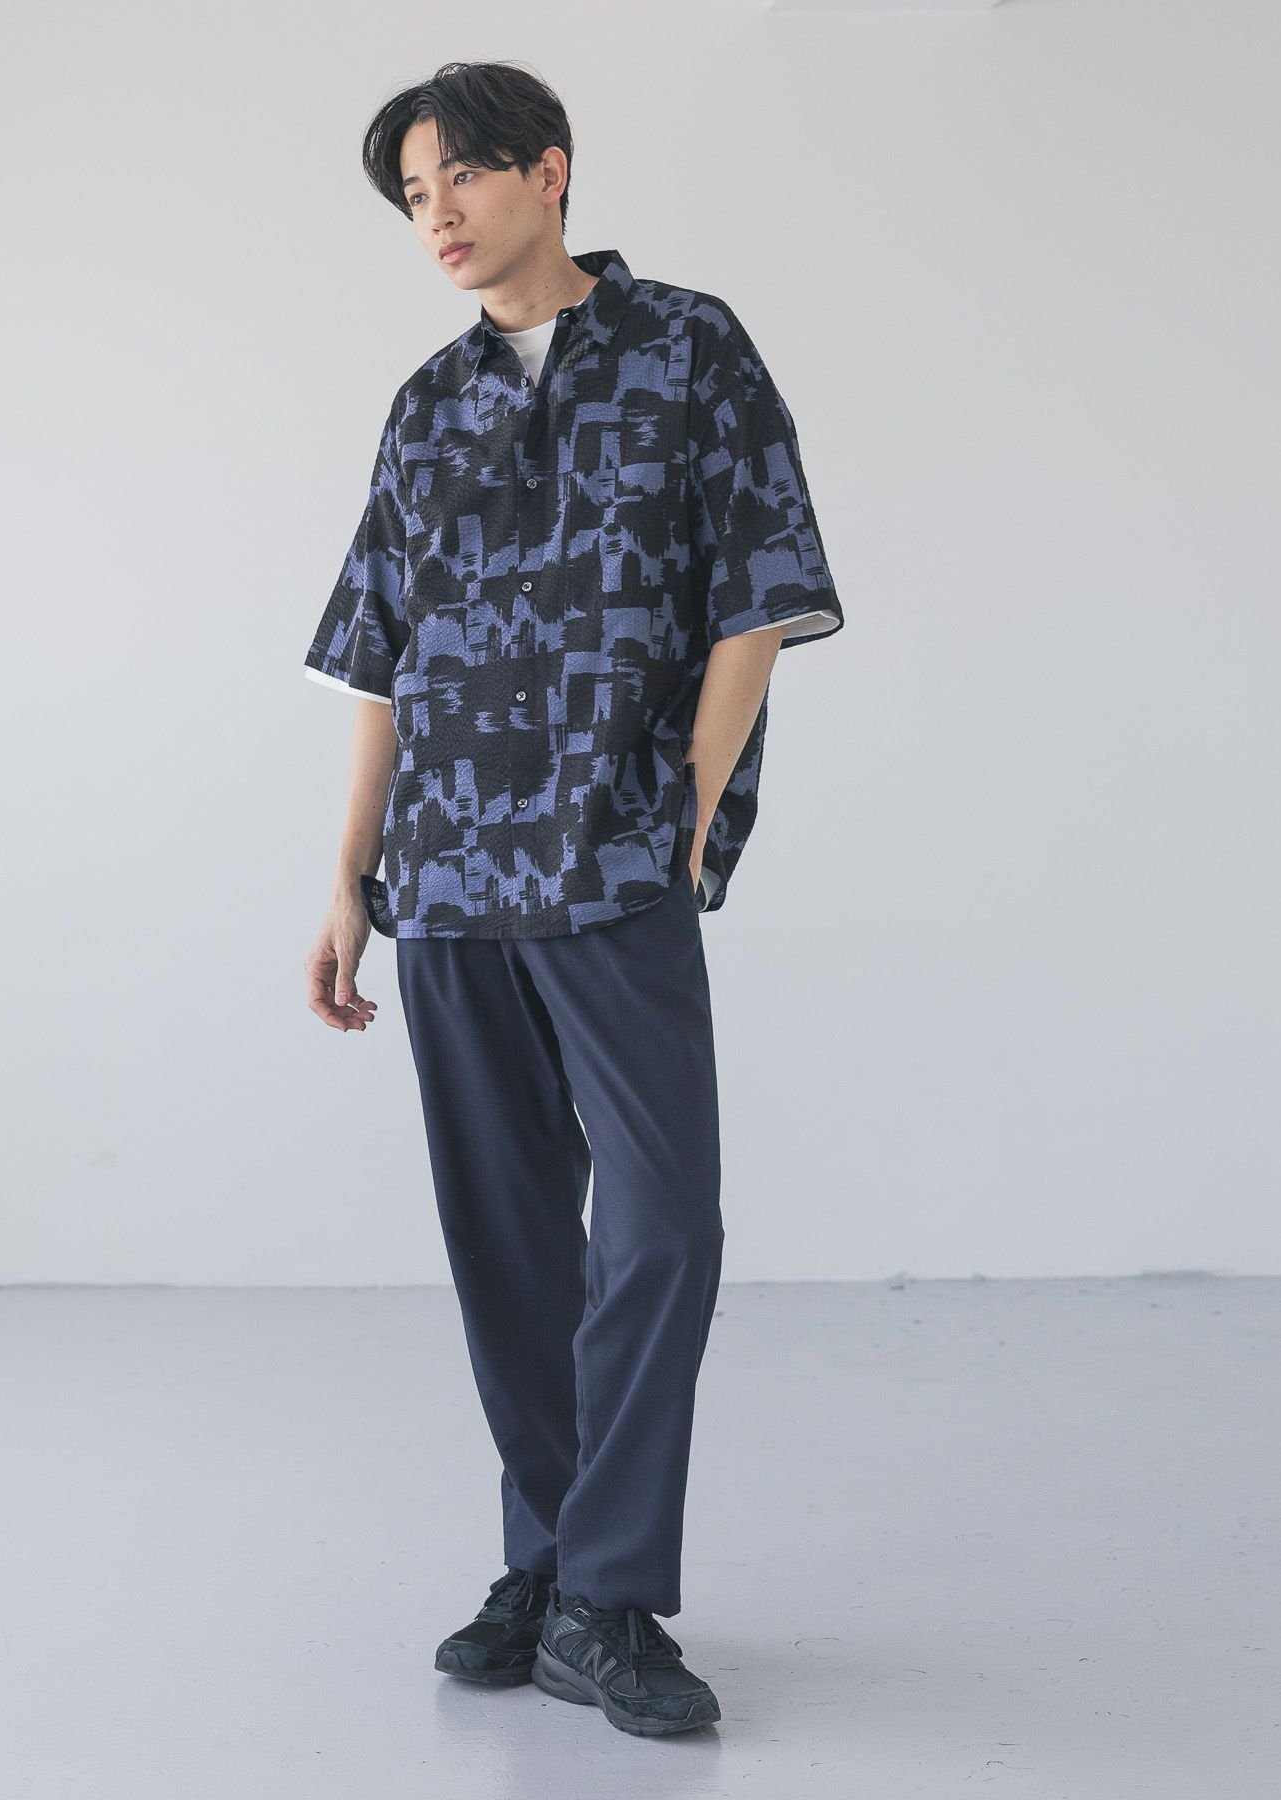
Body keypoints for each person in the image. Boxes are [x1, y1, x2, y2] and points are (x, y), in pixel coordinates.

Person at [303, 59, 843, 1739]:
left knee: (663, 1227)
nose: (439, 216)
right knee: (509, 1241)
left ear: (549, 170)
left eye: (461, 177)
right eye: (413, 196)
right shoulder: (425, 405)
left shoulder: (688, 347)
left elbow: (760, 589)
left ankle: (608, 1594)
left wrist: (689, 805)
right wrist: (346, 877)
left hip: (613, 861)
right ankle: (545, 1570)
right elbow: (382, 657)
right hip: (450, 875)